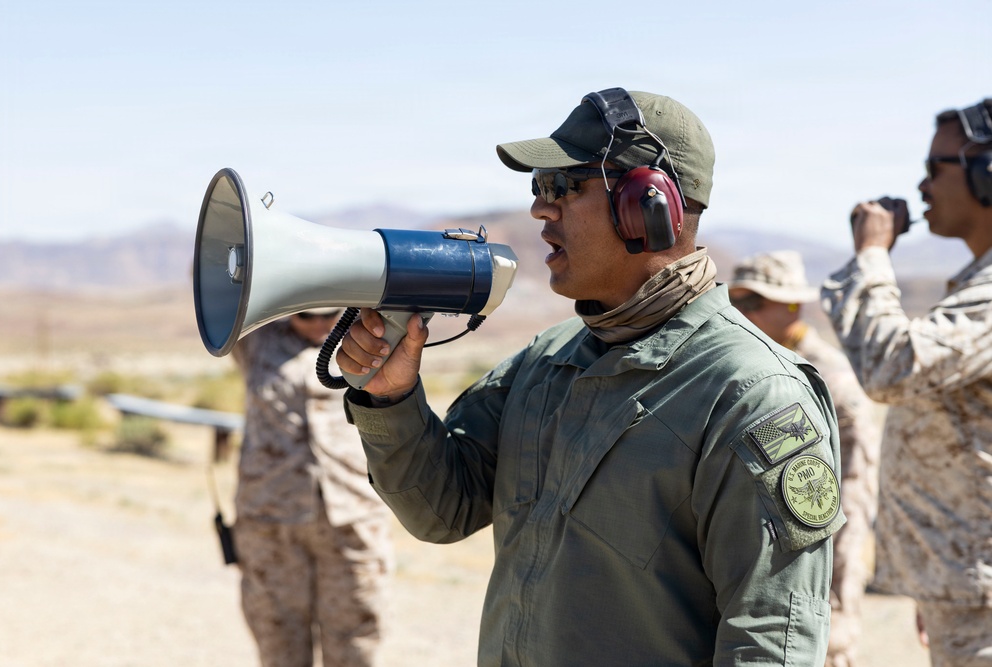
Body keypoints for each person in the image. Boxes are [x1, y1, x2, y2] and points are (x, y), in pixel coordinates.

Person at [337, 87, 846, 666]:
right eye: (537, 187)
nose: (539, 209)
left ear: (647, 205)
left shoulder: (752, 395)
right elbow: (441, 511)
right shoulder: (547, 360)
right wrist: (392, 399)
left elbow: (770, 639)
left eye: (562, 187)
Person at [821, 98, 992, 666]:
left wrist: (872, 255)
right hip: (966, 588)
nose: (921, 186)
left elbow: (891, 369)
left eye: (935, 167)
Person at [729, 250, 882, 667]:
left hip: (815, 564)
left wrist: (841, 603)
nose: (740, 312)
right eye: (736, 301)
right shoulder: (747, 364)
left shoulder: (827, 378)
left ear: (793, 306)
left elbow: (852, 493)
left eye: (754, 302)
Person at [231, 307, 392, 667]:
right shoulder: (257, 340)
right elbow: (218, 282)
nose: (319, 323)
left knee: (356, 640)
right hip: (271, 521)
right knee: (278, 639)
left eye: (329, 314)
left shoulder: (369, 338)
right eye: (306, 315)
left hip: (353, 517)